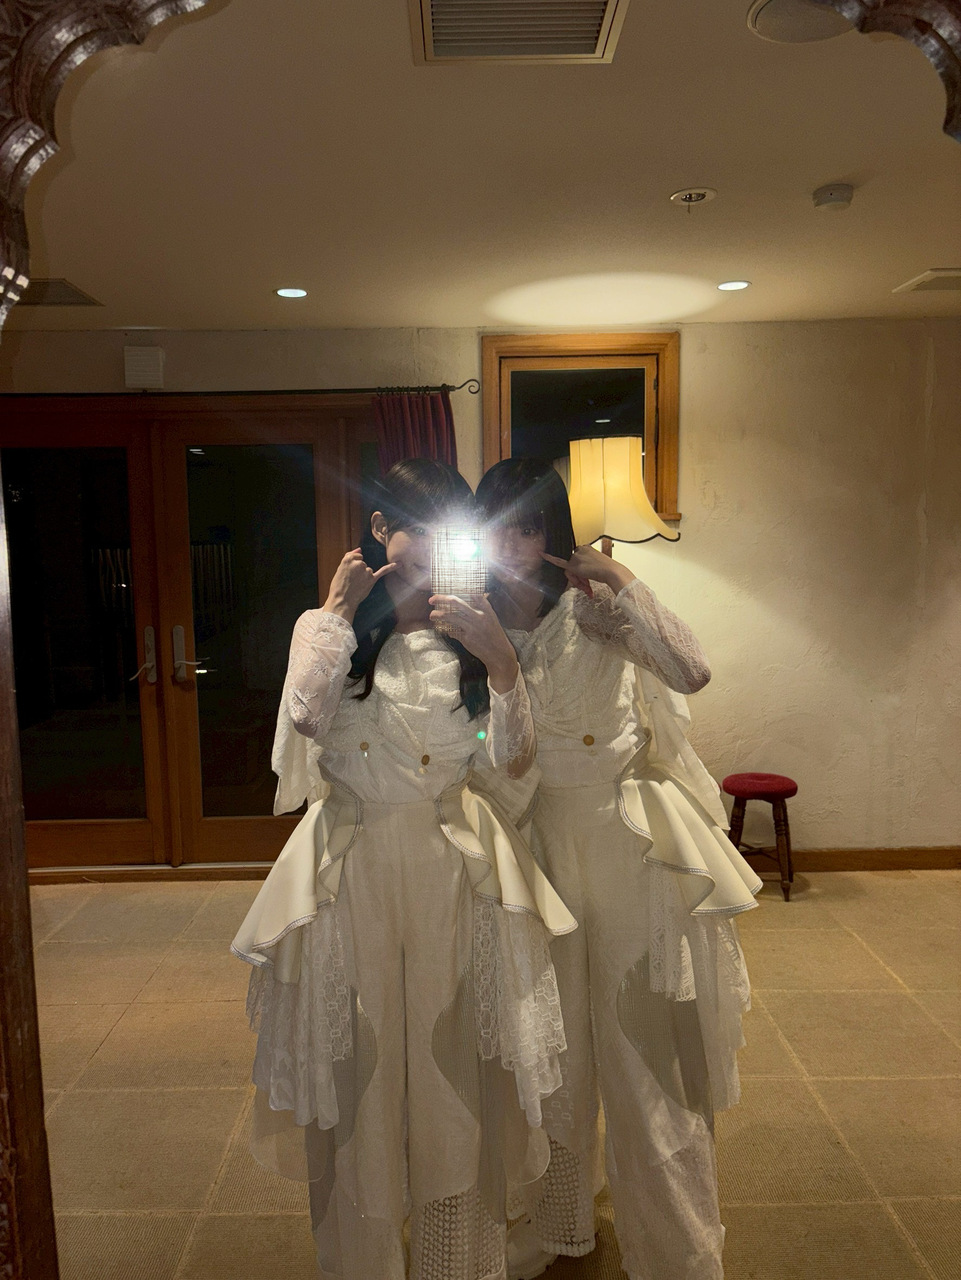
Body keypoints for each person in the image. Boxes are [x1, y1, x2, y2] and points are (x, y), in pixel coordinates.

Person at [231, 458, 576, 1280]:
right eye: (410, 525)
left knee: (451, 1064)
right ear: (379, 528)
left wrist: (500, 664)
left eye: (445, 527)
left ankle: (458, 1260)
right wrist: (338, 610)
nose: (425, 546)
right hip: (350, 875)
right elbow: (305, 717)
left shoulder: (473, 636)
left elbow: (510, 760)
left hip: (451, 873)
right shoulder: (330, 630)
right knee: (363, 1066)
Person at [474, 457, 761, 1280]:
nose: (514, 545)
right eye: (499, 527)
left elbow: (690, 670)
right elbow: (490, 757)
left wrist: (623, 582)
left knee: (644, 1053)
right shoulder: (475, 622)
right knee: (553, 1056)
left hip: (626, 845)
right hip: (535, 851)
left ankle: (677, 1253)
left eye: (530, 526)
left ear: (553, 530)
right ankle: (559, 1221)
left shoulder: (591, 609)